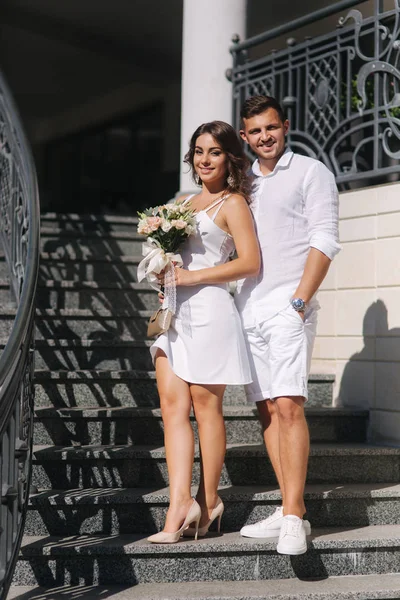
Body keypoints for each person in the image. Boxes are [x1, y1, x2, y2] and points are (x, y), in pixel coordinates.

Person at [236, 95, 341, 555]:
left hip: (288, 306)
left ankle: (295, 517)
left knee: (289, 406)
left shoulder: (311, 172)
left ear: (286, 126)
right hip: (247, 310)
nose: (265, 137)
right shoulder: (242, 184)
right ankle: (286, 504)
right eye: (256, 131)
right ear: (244, 136)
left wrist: (300, 301)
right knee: (266, 410)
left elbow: (325, 238)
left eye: (272, 127)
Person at [147, 121, 260, 544]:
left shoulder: (233, 204)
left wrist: (195, 278)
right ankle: (179, 504)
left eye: (213, 151)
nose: (204, 159)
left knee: (204, 406)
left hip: (212, 310)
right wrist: (164, 272)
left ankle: (209, 500)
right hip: (174, 312)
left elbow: (249, 263)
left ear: (229, 157)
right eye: (198, 151)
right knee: (171, 403)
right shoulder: (182, 203)